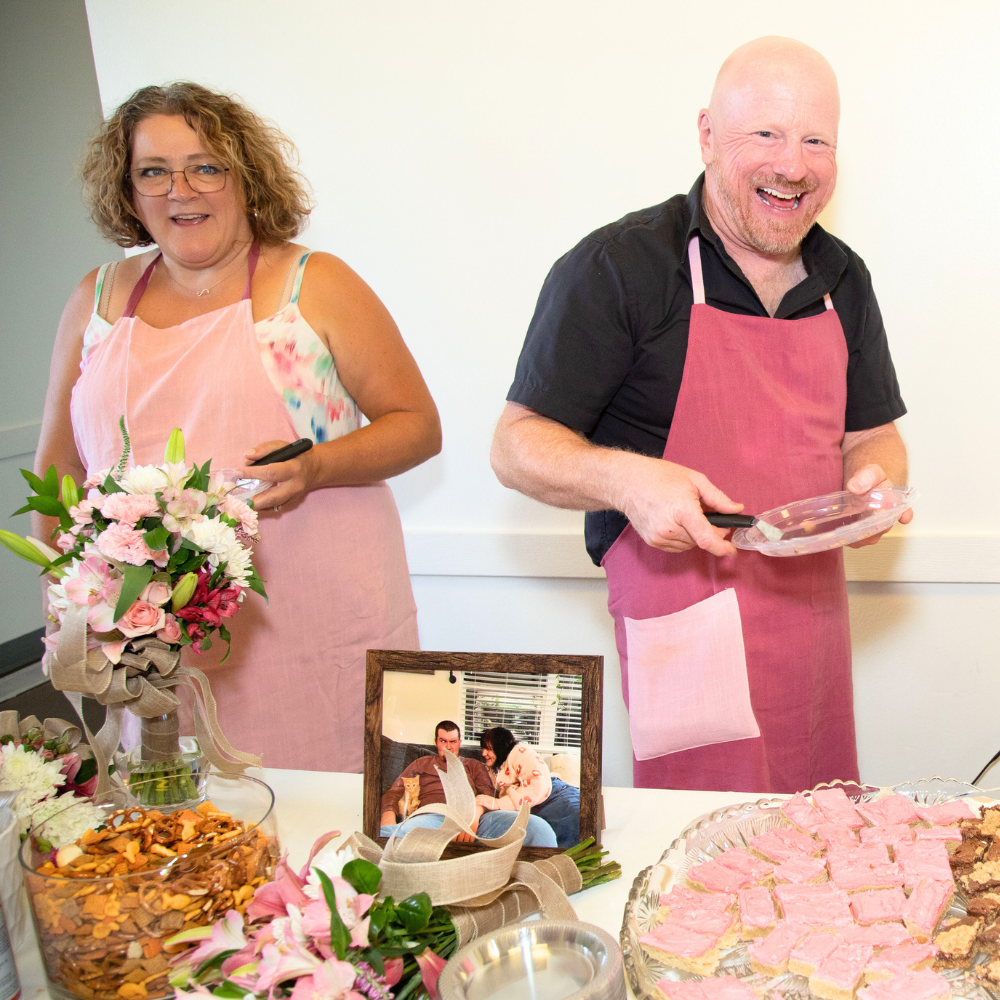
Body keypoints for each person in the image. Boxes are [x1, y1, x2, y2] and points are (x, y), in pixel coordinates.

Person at [490, 37, 911, 794]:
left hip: (812, 627)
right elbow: (516, 445)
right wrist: (627, 481)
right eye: (767, 135)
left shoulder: (843, 277)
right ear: (708, 136)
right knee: (703, 864)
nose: (793, 164)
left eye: (816, 140)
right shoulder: (619, 267)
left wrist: (874, 484)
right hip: (684, 620)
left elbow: (873, 434)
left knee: (819, 849)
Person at [33, 83, 442, 772]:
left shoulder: (313, 284)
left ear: (245, 177)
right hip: (154, 638)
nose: (179, 189)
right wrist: (68, 599)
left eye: (206, 166)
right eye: (153, 171)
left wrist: (315, 467)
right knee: (185, 825)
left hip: (316, 623)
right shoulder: (95, 302)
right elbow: (59, 469)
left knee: (337, 827)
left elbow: (417, 426)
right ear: (128, 192)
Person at [380, 721, 557, 847]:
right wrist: (387, 815)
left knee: (539, 829)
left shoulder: (473, 765)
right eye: (443, 741)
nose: (448, 747)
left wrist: (473, 817)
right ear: (436, 742)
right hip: (434, 816)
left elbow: (489, 796)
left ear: (459, 743)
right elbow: (395, 791)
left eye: (453, 742)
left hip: (478, 819)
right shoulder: (421, 763)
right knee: (388, 835)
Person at [479, 726, 581, 849]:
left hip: (552, 793)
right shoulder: (494, 767)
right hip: (533, 806)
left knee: (577, 819)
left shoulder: (520, 752)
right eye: (483, 748)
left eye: (488, 749)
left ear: (500, 747)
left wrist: (498, 803)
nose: (483, 753)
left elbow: (537, 785)